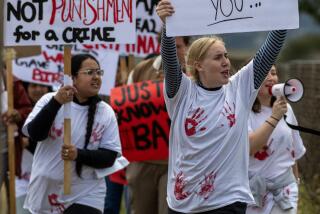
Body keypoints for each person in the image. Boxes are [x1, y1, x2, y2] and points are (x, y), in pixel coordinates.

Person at [156, 0, 287, 213]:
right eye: (218, 57)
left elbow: (269, 51)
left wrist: (284, 15)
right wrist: (167, 27)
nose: (226, 61)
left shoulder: (240, 88)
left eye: (226, 55)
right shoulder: (182, 93)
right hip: (184, 203)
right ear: (198, 65)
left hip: (228, 200)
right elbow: (170, 62)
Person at [22, 54, 127, 213]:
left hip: (87, 192)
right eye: (89, 72)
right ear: (72, 78)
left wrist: (78, 154)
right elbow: (35, 134)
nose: (96, 77)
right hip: (47, 191)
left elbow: (109, 157)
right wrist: (56, 102)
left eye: (99, 72)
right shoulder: (48, 100)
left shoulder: (105, 112)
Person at [125, 36, 189, 214]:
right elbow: (126, 110)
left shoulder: (196, 72)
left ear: (187, 47)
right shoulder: (141, 70)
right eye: (168, 45)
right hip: (143, 160)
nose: (172, 51)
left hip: (176, 161)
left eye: (177, 47)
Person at [246, 65, 306, 214]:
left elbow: (293, 153)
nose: (270, 78)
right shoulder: (243, 111)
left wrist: (296, 184)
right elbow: (249, 147)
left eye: (273, 73)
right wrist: (274, 117)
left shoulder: (287, 109)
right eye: (264, 74)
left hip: (284, 190)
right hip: (253, 192)